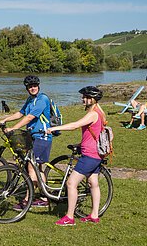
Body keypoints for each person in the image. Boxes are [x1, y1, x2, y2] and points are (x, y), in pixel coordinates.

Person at [46, 86, 105, 226]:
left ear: (92, 99)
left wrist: (54, 128)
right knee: (93, 184)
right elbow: (94, 134)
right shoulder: (99, 112)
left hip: (90, 156)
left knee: (71, 183)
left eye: (85, 97)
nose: (83, 99)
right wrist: (81, 144)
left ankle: (69, 217)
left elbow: (75, 125)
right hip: (96, 154)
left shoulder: (93, 114)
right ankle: (94, 215)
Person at [0, 75, 53, 209]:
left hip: (42, 136)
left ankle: (28, 200)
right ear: (27, 88)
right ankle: (44, 197)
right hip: (33, 136)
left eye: (34, 86)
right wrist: (6, 120)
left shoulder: (42, 99)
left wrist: (13, 128)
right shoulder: (30, 100)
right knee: (37, 167)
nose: (32, 88)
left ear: (38, 86)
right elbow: (21, 113)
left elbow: (30, 117)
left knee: (31, 167)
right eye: (30, 86)